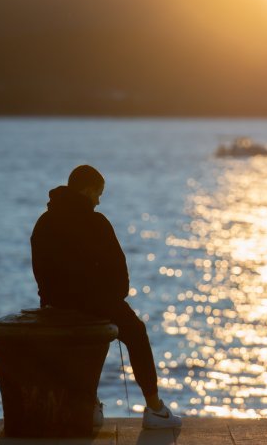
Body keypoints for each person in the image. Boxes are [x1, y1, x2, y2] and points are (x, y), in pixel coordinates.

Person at [30, 164, 182, 430]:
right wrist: (115, 298)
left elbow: (39, 270)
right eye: (99, 193)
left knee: (80, 346)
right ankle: (155, 409)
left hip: (54, 305)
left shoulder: (44, 222)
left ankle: (89, 404)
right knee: (136, 332)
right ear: (88, 190)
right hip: (94, 302)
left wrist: (50, 300)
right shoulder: (96, 223)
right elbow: (119, 271)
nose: (99, 200)